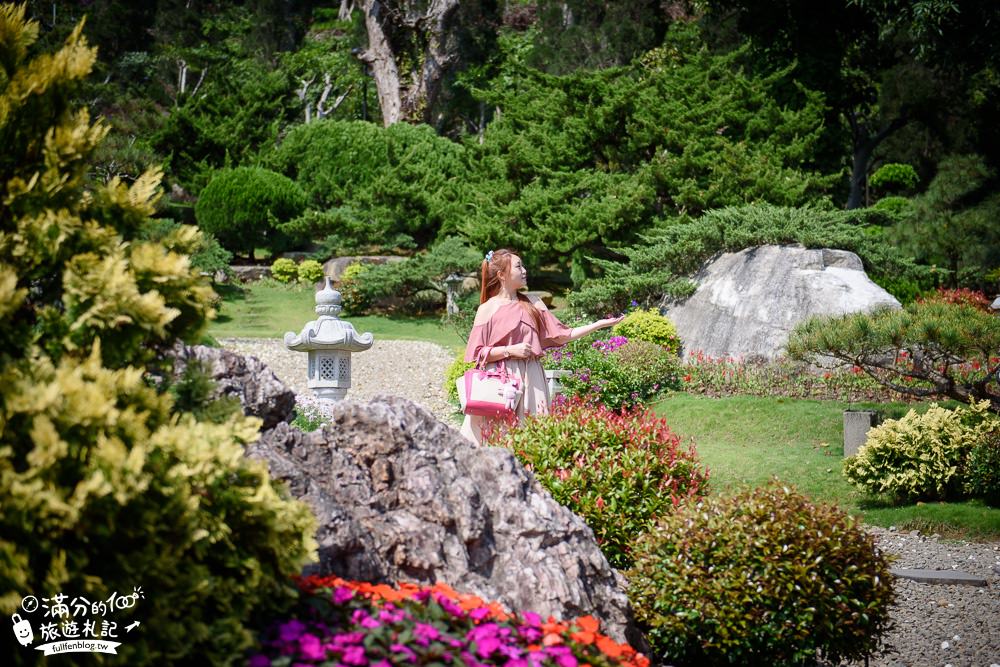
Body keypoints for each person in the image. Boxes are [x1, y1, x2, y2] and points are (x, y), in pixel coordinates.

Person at [459, 249, 624, 445]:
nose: (525, 270)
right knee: (497, 439)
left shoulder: (533, 303)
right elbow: (477, 354)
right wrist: (510, 351)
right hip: (500, 382)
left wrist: (599, 324)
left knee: (534, 436)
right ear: (501, 275)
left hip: (532, 378)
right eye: (519, 266)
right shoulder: (487, 309)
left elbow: (564, 335)